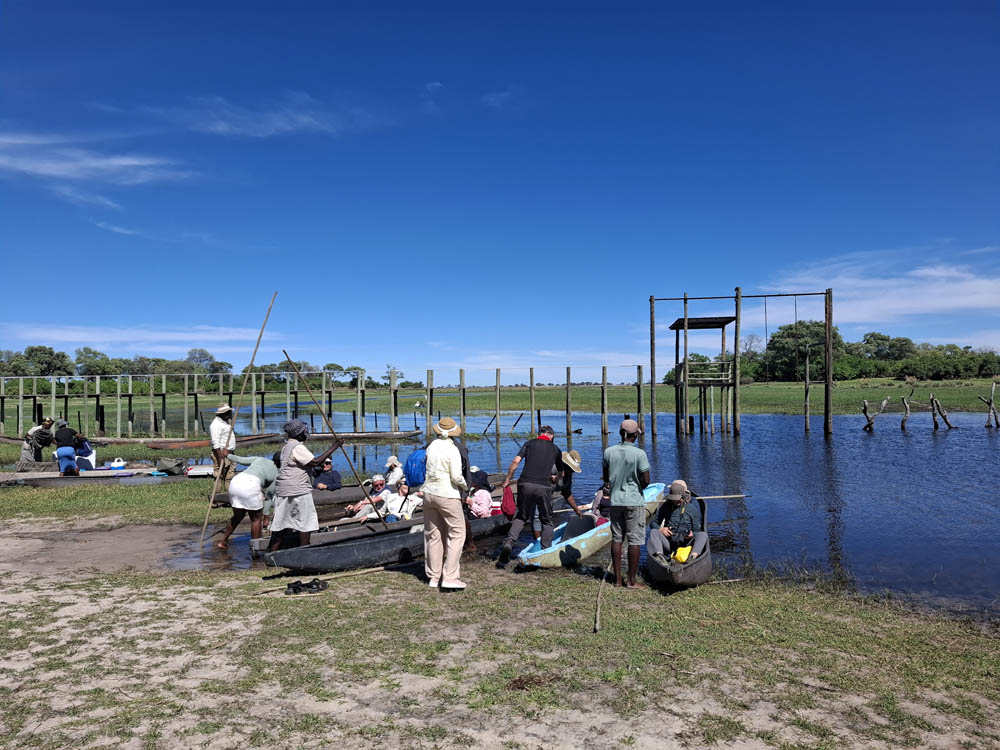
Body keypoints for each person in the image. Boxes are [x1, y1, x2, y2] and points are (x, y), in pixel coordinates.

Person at [267, 420, 340, 552]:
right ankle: (304, 552)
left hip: (284, 490)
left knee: (280, 524)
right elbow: (315, 462)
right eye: (304, 431)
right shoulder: (297, 447)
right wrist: (334, 447)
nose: (306, 434)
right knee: (306, 523)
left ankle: (272, 553)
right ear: (299, 434)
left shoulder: (286, 446)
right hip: (298, 490)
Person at [497, 425, 566, 566]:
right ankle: (545, 552)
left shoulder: (529, 444)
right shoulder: (555, 449)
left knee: (521, 516)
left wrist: (508, 479)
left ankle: (508, 544)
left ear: (539, 434)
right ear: (551, 436)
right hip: (543, 487)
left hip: (524, 484)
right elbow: (562, 472)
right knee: (546, 520)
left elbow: (516, 462)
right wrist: (556, 478)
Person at [422, 417, 469, 589]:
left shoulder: (431, 446)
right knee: (457, 533)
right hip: (447, 494)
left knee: (433, 535)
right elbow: (456, 476)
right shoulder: (452, 449)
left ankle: (434, 577)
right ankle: (450, 576)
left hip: (428, 493)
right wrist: (465, 486)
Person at [603, 418, 650, 589]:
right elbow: (646, 480)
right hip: (634, 501)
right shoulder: (640, 454)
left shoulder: (609, 452)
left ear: (620, 433)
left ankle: (617, 580)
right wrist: (637, 487)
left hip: (615, 501)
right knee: (634, 540)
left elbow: (606, 478)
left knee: (617, 538)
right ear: (635, 435)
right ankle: (631, 581)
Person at [218, 452, 280, 549]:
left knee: (238, 516)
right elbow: (268, 496)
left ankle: (223, 541)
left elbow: (240, 459)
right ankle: (255, 549)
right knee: (256, 519)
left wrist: (228, 455)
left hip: (236, 482)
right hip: (251, 485)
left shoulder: (259, 459)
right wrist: (266, 516)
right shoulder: (277, 474)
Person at [647, 479, 708, 560]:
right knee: (654, 532)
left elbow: (697, 531)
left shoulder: (692, 510)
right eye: (674, 499)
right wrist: (660, 529)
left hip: (686, 545)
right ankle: (660, 557)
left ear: (683, 496)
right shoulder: (665, 507)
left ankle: (692, 557)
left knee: (703, 535)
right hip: (669, 544)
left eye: (678, 499)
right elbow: (653, 523)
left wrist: (691, 535)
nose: (676, 501)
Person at [209, 405, 236, 486]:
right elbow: (215, 442)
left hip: (229, 453)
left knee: (229, 476)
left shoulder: (224, 422)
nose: (230, 415)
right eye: (229, 413)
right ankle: (217, 493)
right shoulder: (215, 424)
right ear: (223, 414)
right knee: (219, 476)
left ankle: (228, 493)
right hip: (221, 453)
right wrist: (220, 458)